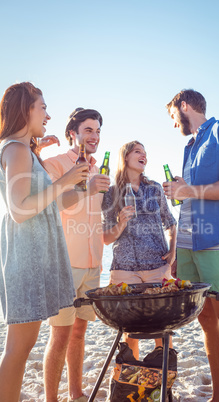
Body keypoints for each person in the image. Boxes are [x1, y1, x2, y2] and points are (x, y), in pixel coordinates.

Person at [0, 82, 93, 401]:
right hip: (26, 260)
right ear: (26, 109)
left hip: (37, 259)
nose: (48, 115)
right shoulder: (14, 149)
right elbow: (19, 210)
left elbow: (48, 203)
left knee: (21, 349)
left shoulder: (25, 151)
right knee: (17, 351)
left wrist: (84, 190)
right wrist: (64, 179)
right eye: (43, 108)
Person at [163, 89, 219, 402]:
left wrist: (191, 189)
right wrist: (178, 191)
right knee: (206, 320)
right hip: (188, 243)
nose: (174, 124)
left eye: (173, 116)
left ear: (183, 106)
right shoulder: (190, 147)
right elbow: (194, 195)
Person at [42, 108, 110, 402]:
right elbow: (47, 206)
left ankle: (75, 392)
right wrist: (86, 189)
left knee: (80, 333)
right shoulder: (55, 164)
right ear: (73, 133)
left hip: (93, 263)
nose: (94, 136)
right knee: (59, 335)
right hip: (65, 263)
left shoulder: (98, 170)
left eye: (97, 131)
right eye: (88, 130)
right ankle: (51, 399)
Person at [102, 140, 176, 359]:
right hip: (125, 268)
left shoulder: (154, 189)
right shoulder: (111, 193)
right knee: (130, 329)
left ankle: (164, 380)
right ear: (125, 157)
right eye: (138, 152)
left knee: (162, 325)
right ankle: (130, 377)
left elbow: (171, 223)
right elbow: (106, 238)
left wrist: (173, 251)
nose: (144, 155)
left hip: (157, 264)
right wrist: (121, 223)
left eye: (145, 153)